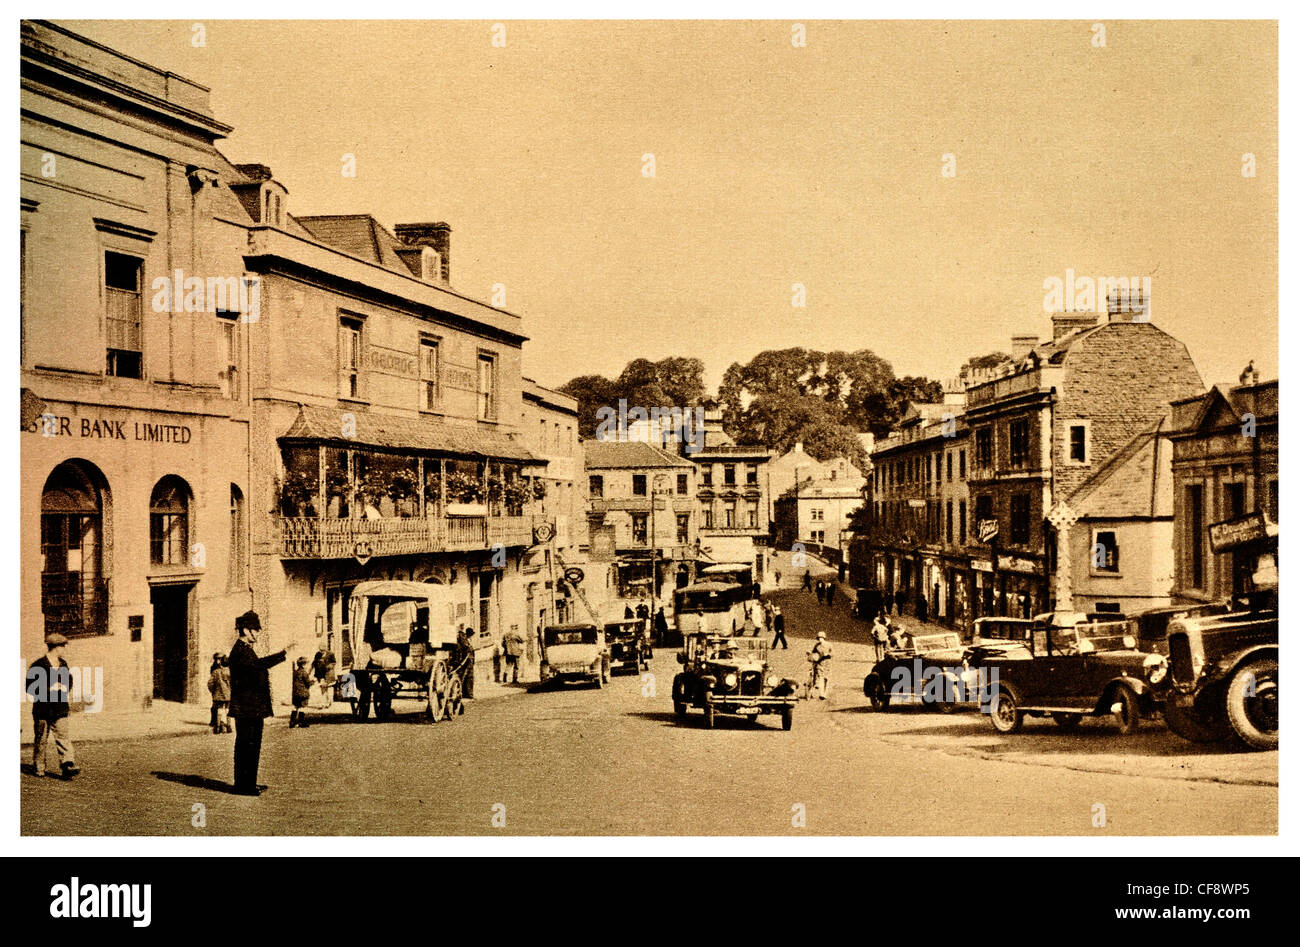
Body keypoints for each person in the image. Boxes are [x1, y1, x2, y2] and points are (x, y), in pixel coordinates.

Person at [228, 610, 293, 796]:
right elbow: (257, 666)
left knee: (251, 746)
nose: (257, 634)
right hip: (246, 708)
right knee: (247, 747)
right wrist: (283, 654)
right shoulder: (240, 651)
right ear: (246, 630)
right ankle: (243, 786)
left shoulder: (246, 650)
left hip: (251, 708)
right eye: (255, 630)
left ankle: (249, 783)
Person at [27, 633, 78, 779]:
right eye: (62, 646)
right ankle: (39, 767)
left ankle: (67, 765)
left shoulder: (63, 664)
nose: (64, 649)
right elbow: (29, 687)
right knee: (41, 740)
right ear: (55, 647)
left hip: (60, 708)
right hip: (42, 709)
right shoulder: (38, 665)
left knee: (63, 738)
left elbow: (69, 681)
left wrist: (64, 686)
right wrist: (48, 688)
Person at [208, 653, 232, 734]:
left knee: (220, 709)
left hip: (218, 693)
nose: (218, 661)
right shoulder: (230, 671)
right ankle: (228, 726)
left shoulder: (215, 671)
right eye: (217, 659)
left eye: (219, 659)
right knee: (226, 709)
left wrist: (213, 690)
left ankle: (218, 727)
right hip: (227, 694)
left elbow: (210, 683)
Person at [806, 630, 833, 699]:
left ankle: (824, 693)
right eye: (819, 638)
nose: (820, 639)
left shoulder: (829, 645)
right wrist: (809, 653)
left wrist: (828, 654)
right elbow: (813, 652)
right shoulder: (817, 645)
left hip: (827, 663)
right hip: (819, 663)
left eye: (821, 638)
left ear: (824, 638)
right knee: (820, 677)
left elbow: (833, 654)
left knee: (826, 679)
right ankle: (821, 694)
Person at [289, 657, 313, 728]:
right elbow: (308, 683)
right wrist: (313, 681)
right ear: (303, 664)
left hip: (295, 693)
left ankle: (292, 722)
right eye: (306, 664)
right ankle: (301, 722)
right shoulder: (304, 673)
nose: (307, 665)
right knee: (302, 707)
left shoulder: (295, 672)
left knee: (295, 707)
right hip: (303, 693)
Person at [454, 626, 476, 699]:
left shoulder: (465, 639)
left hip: (468, 660)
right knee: (469, 677)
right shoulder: (464, 639)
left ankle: (465, 693)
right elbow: (466, 649)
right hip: (466, 661)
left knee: (466, 677)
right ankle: (469, 694)